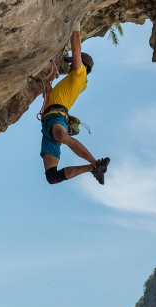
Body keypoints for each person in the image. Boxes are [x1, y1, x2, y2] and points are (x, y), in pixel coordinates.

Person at [40, 20, 109, 185]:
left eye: (72, 64)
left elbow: (77, 50)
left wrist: (75, 24)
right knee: (52, 177)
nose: (70, 66)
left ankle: (96, 163)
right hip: (49, 124)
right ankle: (93, 169)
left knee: (63, 136)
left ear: (82, 67)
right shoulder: (72, 81)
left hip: (56, 117)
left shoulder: (80, 76)